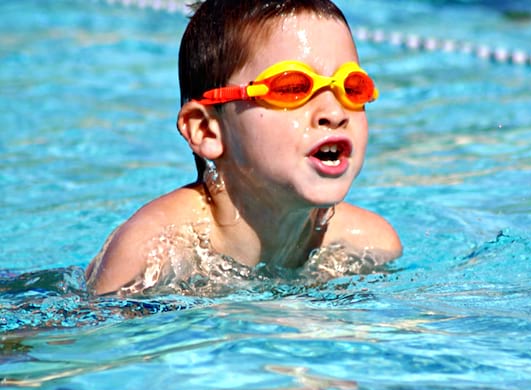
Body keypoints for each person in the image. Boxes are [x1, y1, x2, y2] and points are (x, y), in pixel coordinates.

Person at [85, 0, 402, 296]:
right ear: (206, 129)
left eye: (351, 87)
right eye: (291, 87)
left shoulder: (370, 245)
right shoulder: (152, 252)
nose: (334, 113)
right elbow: (91, 348)